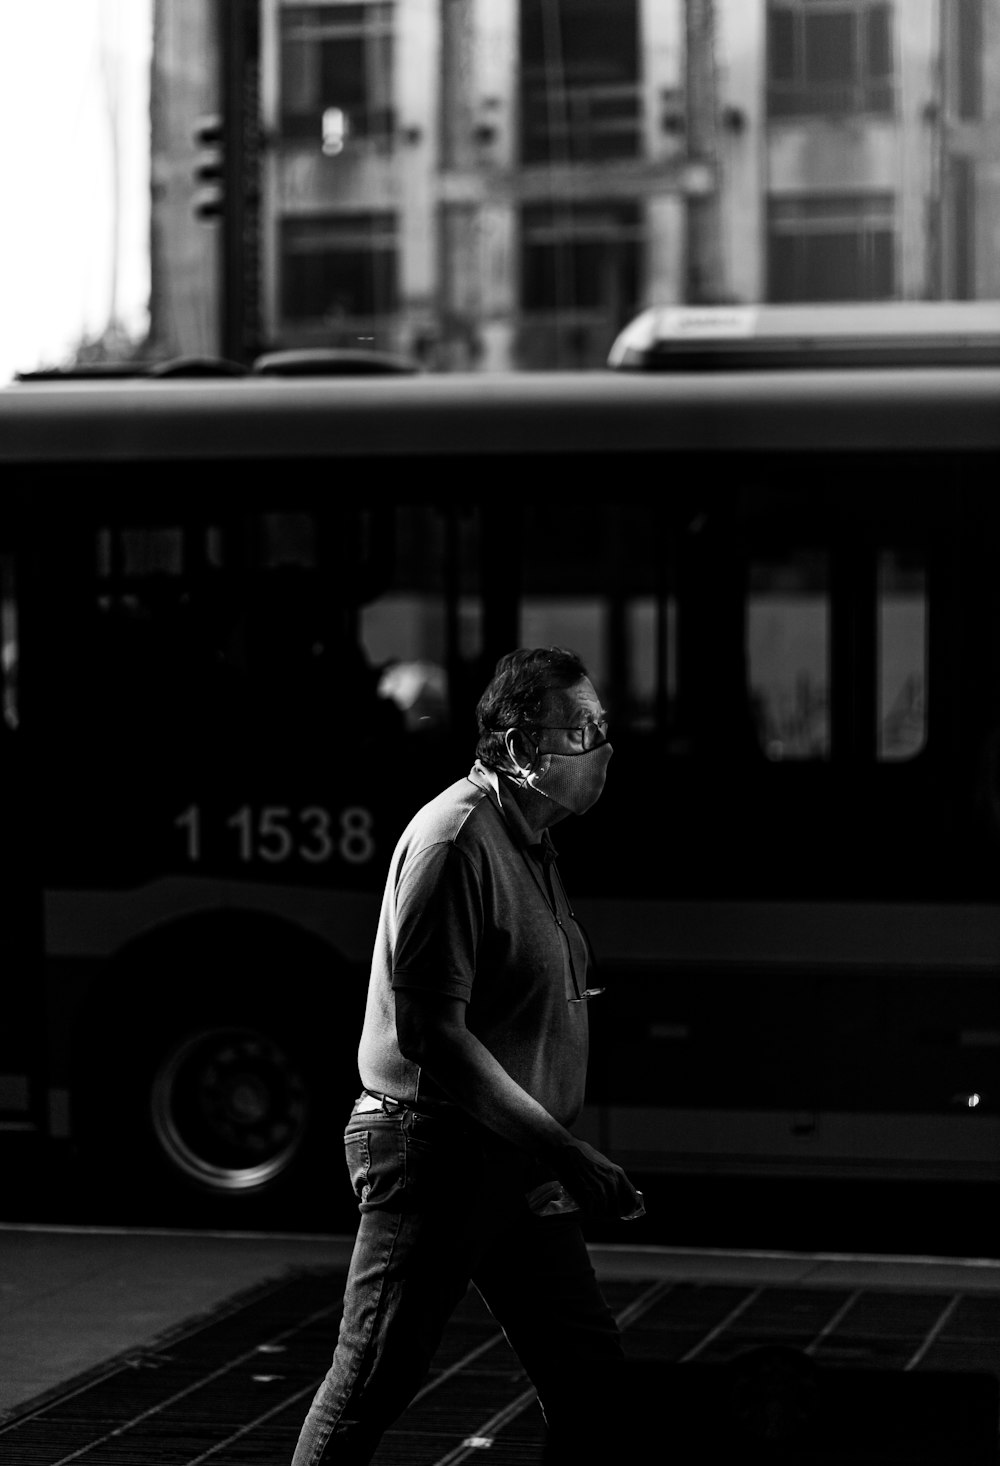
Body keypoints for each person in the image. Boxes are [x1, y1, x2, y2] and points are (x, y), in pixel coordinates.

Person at [291, 646, 643, 1465]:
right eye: (581, 729)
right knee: (372, 1376)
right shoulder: (457, 843)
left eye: (601, 727)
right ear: (521, 748)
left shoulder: (530, 843)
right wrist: (563, 1148)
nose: (601, 748)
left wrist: (545, 1148)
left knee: (592, 1382)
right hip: (437, 1149)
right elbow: (431, 1035)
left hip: (516, 1158)